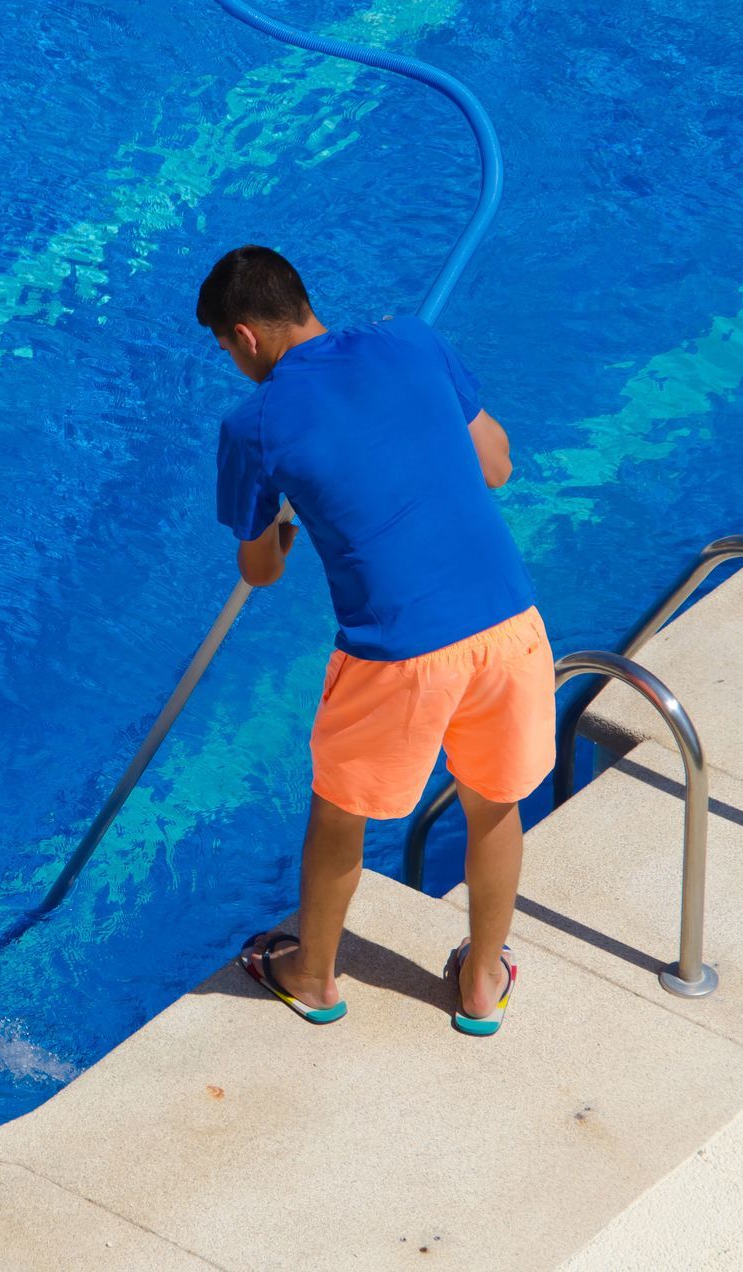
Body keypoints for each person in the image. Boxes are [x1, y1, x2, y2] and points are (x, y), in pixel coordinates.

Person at [198, 244, 554, 1036]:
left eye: (226, 348)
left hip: (398, 649)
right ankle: (481, 982)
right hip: (509, 621)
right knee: (495, 805)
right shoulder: (413, 341)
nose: (232, 361)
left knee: (339, 815)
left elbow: (259, 570)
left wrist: (282, 532)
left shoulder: (252, 424)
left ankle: (312, 976)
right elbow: (496, 466)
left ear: (246, 337)